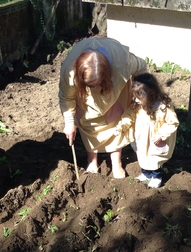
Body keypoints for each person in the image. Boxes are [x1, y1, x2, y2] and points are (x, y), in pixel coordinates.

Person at [58, 37, 147, 179]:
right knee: (89, 124)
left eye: (96, 83)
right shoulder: (70, 71)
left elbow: (142, 66)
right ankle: (92, 160)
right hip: (85, 99)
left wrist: (139, 91)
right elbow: (66, 98)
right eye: (90, 84)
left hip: (113, 92)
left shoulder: (122, 61)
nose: (93, 88)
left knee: (117, 125)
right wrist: (69, 122)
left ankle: (116, 163)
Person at [115, 73, 179, 188]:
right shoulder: (138, 106)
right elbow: (129, 115)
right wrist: (122, 126)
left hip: (156, 139)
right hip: (142, 137)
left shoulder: (163, 106)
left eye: (139, 97)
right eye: (134, 97)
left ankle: (156, 177)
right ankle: (146, 174)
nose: (136, 100)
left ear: (150, 94)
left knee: (154, 158)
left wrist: (161, 135)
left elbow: (172, 123)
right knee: (142, 155)